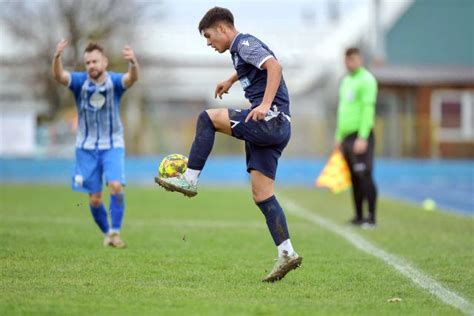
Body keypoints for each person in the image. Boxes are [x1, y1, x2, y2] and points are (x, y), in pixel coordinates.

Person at [155, 7, 302, 282]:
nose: (208, 43)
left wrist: (267, 104)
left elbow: (274, 66)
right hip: (276, 127)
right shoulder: (240, 51)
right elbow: (255, 65)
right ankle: (286, 253)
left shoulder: (243, 43)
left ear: (222, 29)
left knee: (207, 118)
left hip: (270, 120)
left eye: (209, 36)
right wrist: (231, 79)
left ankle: (189, 178)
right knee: (262, 195)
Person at [52, 39, 139, 247]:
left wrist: (133, 63)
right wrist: (57, 58)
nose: (91, 66)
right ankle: (108, 233)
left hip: (112, 145)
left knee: (116, 186)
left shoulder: (114, 82)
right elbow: (59, 76)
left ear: (105, 62)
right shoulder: (79, 82)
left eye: (95, 61)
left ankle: (116, 232)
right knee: (95, 199)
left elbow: (131, 79)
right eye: (88, 62)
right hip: (86, 148)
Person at [335, 47, 378, 228]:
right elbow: (343, 109)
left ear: (359, 59)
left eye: (352, 59)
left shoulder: (367, 80)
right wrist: (338, 136)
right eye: (347, 60)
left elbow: (368, 109)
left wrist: (363, 137)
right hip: (346, 136)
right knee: (353, 176)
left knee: (364, 174)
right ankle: (359, 216)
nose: (349, 63)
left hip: (360, 135)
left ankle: (371, 217)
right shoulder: (345, 81)